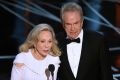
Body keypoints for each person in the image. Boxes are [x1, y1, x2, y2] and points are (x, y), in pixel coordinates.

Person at [56, 2, 113, 80]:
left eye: (76, 23)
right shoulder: (55, 41)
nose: (72, 28)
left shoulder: (98, 41)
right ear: (63, 24)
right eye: (68, 24)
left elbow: (106, 76)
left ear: (82, 22)